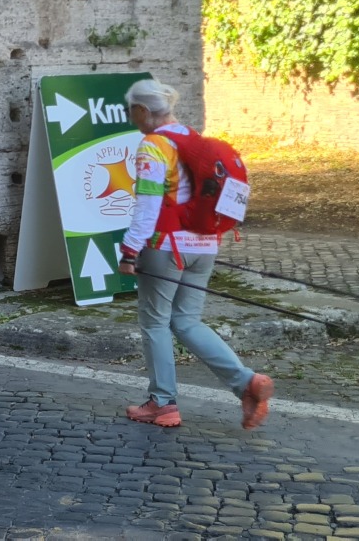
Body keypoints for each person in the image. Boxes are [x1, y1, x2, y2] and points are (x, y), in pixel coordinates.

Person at [116, 79, 274, 430]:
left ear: (142, 110)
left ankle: (162, 403)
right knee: (187, 321)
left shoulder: (154, 146)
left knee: (155, 322)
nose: (131, 118)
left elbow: (148, 205)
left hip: (166, 247)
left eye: (132, 111)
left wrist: (129, 251)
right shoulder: (193, 138)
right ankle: (246, 382)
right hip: (205, 245)